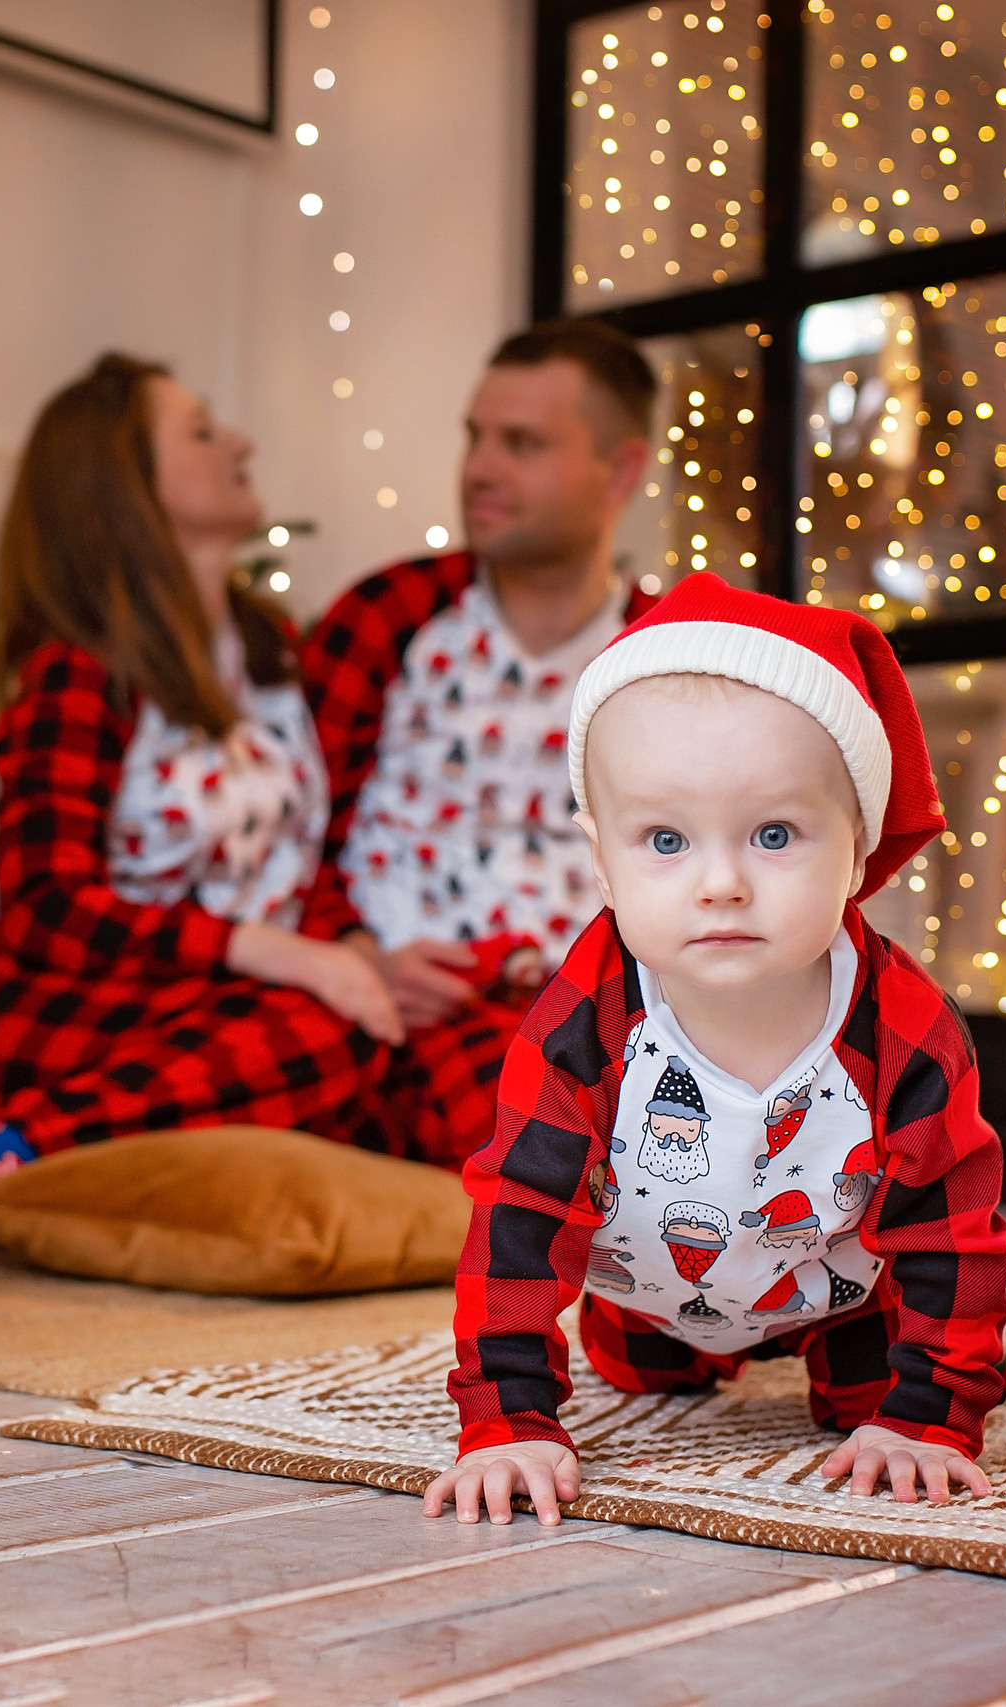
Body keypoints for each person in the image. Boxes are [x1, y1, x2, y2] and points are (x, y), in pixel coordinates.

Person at [424, 572, 1006, 1525]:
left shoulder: (905, 1029)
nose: (721, 883)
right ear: (599, 856)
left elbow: (951, 1230)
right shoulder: (587, 1020)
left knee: (877, 1420)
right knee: (648, 1376)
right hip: (646, 1295)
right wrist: (509, 1418)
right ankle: (657, 1346)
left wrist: (934, 1414)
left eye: (774, 833)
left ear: (858, 850)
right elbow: (521, 1219)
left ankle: (870, 1384)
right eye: (665, 838)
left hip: (842, 1294)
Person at [0, 353, 408, 1261]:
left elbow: (305, 865)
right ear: (127, 483)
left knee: (358, 1036)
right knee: (322, 1029)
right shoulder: (82, 668)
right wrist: (273, 952)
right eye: (203, 431)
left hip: (201, 1022)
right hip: (32, 1012)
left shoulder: (273, 657)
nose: (240, 443)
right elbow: (44, 906)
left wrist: (354, 952)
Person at [300, 320, 665, 1167]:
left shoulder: (664, 648)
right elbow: (299, 832)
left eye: (522, 444)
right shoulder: (388, 615)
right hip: (382, 996)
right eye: (475, 438)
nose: (479, 469)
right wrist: (356, 955)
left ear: (621, 472)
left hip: (589, 1014)